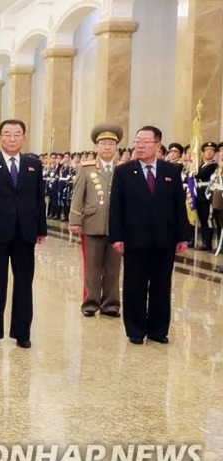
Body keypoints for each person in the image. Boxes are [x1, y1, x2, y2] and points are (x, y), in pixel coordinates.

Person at [108, 125, 189, 345]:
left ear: (157, 145)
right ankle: (135, 329)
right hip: (135, 238)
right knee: (135, 285)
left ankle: (158, 330)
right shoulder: (124, 172)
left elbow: (179, 205)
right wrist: (117, 236)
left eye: (145, 142)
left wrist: (183, 236)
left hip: (165, 238)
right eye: (137, 141)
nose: (140, 146)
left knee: (161, 286)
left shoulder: (171, 171)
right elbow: (116, 207)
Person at [0, 119, 46, 349]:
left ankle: (22, 333)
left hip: (25, 231)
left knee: (24, 282)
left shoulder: (33, 165)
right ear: (0, 138)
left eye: (17, 134)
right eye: (7, 134)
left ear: (24, 138)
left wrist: (41, 228)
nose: (12, 139)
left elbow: (39, 198)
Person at [69, 124, 123, 318]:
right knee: (92, 267)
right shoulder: (87, 168)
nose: (107, 147)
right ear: (96, 147)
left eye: (111, 144)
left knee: (113, 268)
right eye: (103, 144)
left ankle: (111, 304)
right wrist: (75, 220)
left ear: (116, 147)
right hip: (92, 224)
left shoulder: (123, 169)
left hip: (117, 227)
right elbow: (77, 196)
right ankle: (91, 302)